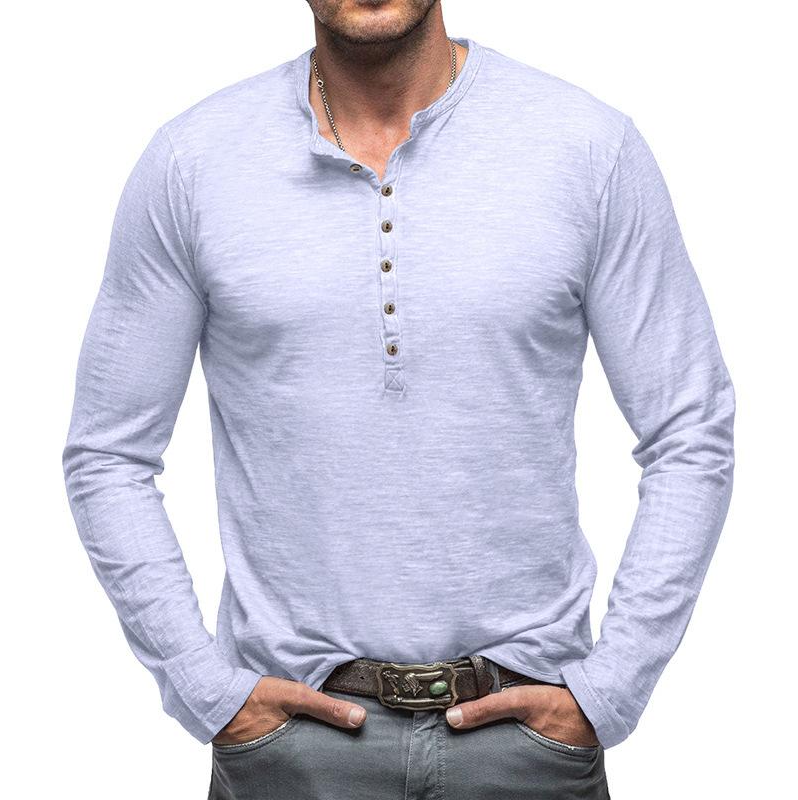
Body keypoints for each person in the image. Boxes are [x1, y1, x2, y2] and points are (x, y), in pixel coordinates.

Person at [61, 1, 735, 797]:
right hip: (292, 749)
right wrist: (203, 687)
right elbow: (108, 454)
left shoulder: (586, 147)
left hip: (527, 745)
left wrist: (610, 688)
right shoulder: (194, 162)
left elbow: (690, 426)